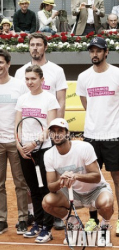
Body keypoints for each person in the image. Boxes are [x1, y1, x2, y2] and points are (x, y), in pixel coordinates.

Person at [42, 118, 114, 244]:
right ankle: (73, 223)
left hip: (96, 191)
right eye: (53, 131)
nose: (56, 134)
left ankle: (104, 225)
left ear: (67, 133)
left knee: (107, 203)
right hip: (73, 193)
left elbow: (96, 176)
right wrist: (61, 181)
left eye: (60, 130)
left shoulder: (84, 147)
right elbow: (51, 187)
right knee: (47, 202)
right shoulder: (49, 155)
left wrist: (75, 176)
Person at [75, 37, 119, 237]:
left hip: (114, 136)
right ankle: (92, 219)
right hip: (91, 136)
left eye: (98, 50)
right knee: (91, 180)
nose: (95, 54)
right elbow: (87, 105)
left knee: (117, 178)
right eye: (92, 51)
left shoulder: (117, 74)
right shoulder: (84, 77)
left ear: (106, 52)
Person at [15, 65, 59, 243]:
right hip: (25, 151)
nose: (30, 82)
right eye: (27, 79)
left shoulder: (49, 99)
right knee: (33, 189)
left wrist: (35, 143)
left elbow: (51, 127)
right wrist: (19, 146)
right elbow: (17, 126)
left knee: (44, 189)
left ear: (42, 80)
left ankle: (47, 228)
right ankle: (38, 223)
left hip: (43, 151)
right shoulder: (22, 99)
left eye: (33, 79)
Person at [0, 49, 28, 235]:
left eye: (0, 62)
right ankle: (2, 220)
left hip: (15, 141)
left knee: (20, 182)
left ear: (8, 64)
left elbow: (26, 111)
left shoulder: (20, 85)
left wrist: (21, 138)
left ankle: (23, 219)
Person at [15, 33, 67, 119]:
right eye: (32, 45)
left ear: (45, 47)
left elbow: (61, 102)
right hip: (26, 125)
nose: (35, 48)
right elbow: (18, 104)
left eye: (38, 45)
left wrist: (57, 126)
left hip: (48, 123)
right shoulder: (20, 72)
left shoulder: (57, 71)